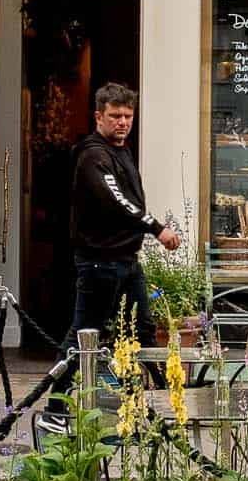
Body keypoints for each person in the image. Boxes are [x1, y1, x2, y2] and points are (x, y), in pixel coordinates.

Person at [68, 81, 179, 358]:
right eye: (115, 116)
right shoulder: (94, 154)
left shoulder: (121, 150)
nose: (122, 122)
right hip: (99, 261)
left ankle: (157, 394)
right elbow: (117, 200)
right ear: (98, 117)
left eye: (128, 116)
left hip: (127, 260)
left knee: (142, 330)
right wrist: (157, 228)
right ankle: (56, 402)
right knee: (84, 334)